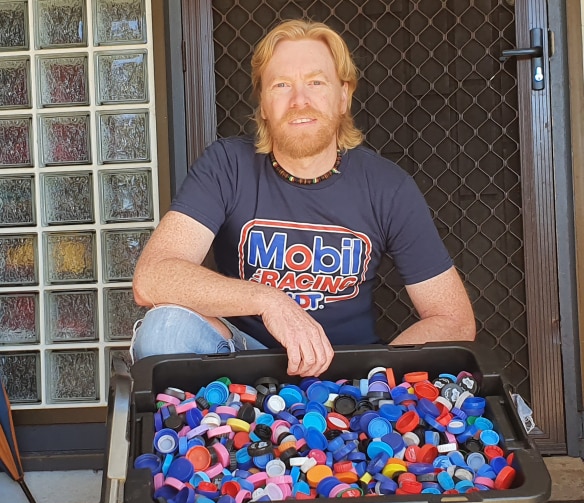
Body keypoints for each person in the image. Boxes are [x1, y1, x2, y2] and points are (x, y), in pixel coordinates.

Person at [132, 19, 475, 377]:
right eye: (281, 85)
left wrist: (374, 377)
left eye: (316, 82)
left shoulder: (388, 186)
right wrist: (270, 302)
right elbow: (153, 277)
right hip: (243, 370)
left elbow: (453, 320)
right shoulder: (228, 166)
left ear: (344, 96)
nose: (300, 101)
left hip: (349, 375)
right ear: (263, 103)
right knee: (164, 330)